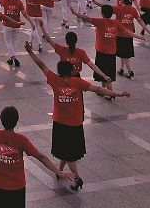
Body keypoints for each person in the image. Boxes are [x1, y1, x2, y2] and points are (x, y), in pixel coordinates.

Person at [24, 41, 130, 190]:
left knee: (68, 153)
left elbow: (41, 64)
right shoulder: (78, 82)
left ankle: (77, 178)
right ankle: (60, 172)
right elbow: (99, 90)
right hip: (76, 124)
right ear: (72, 71)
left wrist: (29, 51)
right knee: (67, 150)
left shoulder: (55, 80)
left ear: (59, 71)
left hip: (61, 123)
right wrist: (117, 94)